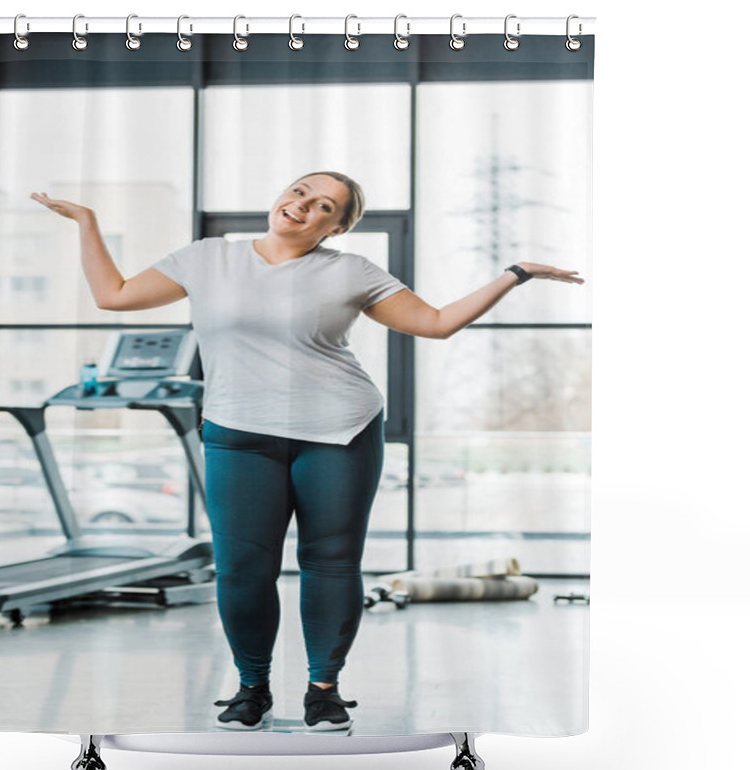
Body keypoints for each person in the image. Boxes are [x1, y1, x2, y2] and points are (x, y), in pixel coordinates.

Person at [30, 172, 583, 732]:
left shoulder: (351, 272)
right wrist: (87, 222)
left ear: (336, 226)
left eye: (323, 206)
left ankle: (324, 690)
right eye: (299, 192)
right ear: (281, 195)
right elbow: (114, 295)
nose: (303, 206)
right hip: (238, 430)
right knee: (243, 570)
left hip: (339, 428)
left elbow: (435, 324)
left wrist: (514, 275)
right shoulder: (206, 259)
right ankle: (251, 687)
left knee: (331, 563)